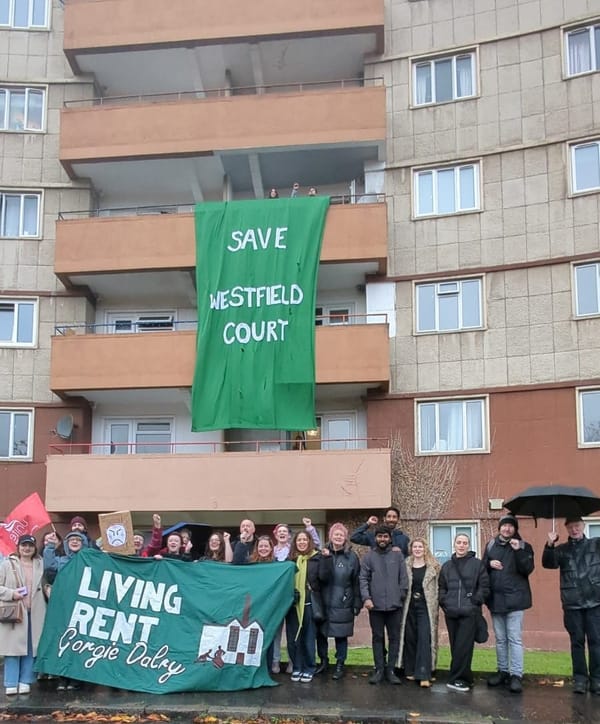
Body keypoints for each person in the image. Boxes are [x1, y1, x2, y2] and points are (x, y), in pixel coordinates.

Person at [542, 517, 600, 694]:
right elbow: (548, 564)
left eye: (577, 526)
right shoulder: (561, 550)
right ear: (566, 529)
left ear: (583, 526)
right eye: (571, 527)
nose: (574, 530)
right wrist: (549, 545)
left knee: (596, 642)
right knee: (577, 643)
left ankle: (597, 680)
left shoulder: (596, 545)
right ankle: (580, 680)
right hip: (572, 603)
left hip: (595, 602)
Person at [483, 514, 534, 694]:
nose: (507, 529)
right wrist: (489, 563)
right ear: (500, 528)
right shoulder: (490, 545)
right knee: (500, 639)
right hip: (496, 601)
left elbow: (527, 569)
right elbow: (482, 569)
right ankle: (503, 671)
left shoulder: (524, 546)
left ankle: (516, 675)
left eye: (511, 527)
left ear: (515, 529)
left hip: (515, 601)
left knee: (514, 639)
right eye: (504, 526)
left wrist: (519, 550)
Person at [439, 533, 489, 692]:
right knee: (456, 647)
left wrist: (475, 601)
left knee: (464, 647)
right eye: (459, 542)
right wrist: (444, 602)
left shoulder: (477, 564)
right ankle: (466, 677)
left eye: (465, 543)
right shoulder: (446, 566)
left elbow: (484, 586)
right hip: (451, 613)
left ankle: (458, 679)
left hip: (469, 613)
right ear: (454, 545)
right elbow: (441, 588)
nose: (461, 545)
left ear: (468, 545)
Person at [359, 525, 408, 684]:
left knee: (394, 638)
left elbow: (404, 578)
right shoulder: (368, 557)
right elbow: (363, 579)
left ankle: (391, 670)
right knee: (377, 638)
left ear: (390, 538)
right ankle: (379, 669)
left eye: (385, 536)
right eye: (379, 536)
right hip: (375, 606)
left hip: (395, 606)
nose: (382, 539)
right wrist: (366, 598)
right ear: (375, 538)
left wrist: (401, 596)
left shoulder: (398, 556)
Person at [0, 535, 47, 695]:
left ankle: (26, 680)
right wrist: (12, 593)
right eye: (24, 545)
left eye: (30, 546)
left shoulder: (40, 564)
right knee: (13, 649)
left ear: (34, 548)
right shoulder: (7, 564)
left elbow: (44, 584)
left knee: (32, 648)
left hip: (36, 611)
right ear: (18, 547)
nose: (27, 548)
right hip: (14, 612)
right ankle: (11, 682)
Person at [43, 531, 88, 690]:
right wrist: (49, 547)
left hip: (83, 609)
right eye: (71, 539)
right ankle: (63, 677)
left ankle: (76, 678)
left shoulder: (90, 561)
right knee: (63, 642)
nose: (75, 542)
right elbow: (48, 566)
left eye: (78, 539)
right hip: (63, 608)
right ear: (66, 543)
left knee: (79, 643)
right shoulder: (61, 560)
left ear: (83, 543)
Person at [317, 522, 361, 680]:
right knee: (321, 634)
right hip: (323, 601)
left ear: (345, 537)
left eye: (341, 534)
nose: (338, 537)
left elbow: (357, 581)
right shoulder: (322, 554)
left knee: (341, 636)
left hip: (343, 602)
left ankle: (340, 664)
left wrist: (357, 602)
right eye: (335, 534)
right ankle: (323, 661)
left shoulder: (352, 557)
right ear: (330, 536)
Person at [398, 537, 440, 688]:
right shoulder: (405, 565)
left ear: (425, 548)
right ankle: (410, 670)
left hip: (425, 606)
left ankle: (424, 674)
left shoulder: (433, 567)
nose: (417, 549)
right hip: (409, 605)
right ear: (411, 549)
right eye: (415, 547)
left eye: (420, 547)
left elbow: (438, 588)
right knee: (410, 637)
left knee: (424, 638)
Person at [286, 529, 320, 683]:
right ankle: (297, 667)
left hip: (308, 605)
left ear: (309, 541)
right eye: (298, 540)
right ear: (295, 542)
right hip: (293, 606)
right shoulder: (290, 561)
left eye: (304, 540)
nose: (301, 542)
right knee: (294, 639)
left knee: (308, 638)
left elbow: (323, 579)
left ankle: (309, 668)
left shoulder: (316, 558)